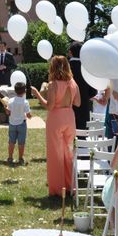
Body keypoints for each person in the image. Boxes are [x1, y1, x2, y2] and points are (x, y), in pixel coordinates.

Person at [31, 56, 80, 196]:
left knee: (55, 154)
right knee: (69, 152)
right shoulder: (73, 83)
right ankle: (71, 186)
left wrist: (38, 95)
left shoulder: (53, 84)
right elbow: (78, 103)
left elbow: (49, 106)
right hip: (69, 117)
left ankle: (58, 189)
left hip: (56, 118)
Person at [68, 42, 96, 129]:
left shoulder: (65, 67)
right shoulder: (87, 67)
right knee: (82, 138)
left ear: (70, 52)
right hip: (84, 107)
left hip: (67, 108)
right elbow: (93, 91)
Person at [5, 82, 32, 166]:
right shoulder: (25, 102)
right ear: (25, 91)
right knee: (21, 142)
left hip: (12, 123)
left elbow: (8, 113)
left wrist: (6, 108)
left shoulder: (10, 101)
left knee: (11, 142)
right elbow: (28, 115)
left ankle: (10, 157)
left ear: (15, 91)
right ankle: (20, 158)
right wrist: (31, 115)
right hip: (21, 124)